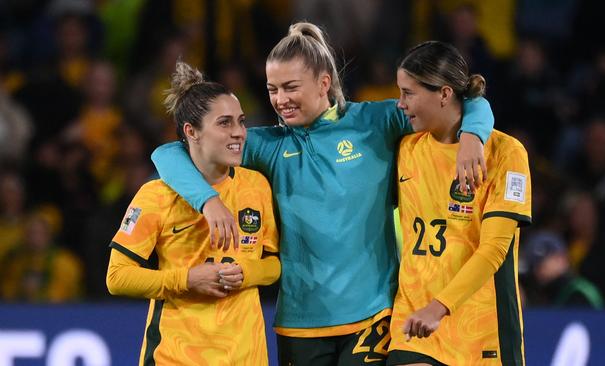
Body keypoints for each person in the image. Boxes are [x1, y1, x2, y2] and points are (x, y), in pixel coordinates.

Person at [151, 22, 494, 365]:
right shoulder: (269, 145)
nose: (280, 100)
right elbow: (168, 153)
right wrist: (208, 201)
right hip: (299, 324)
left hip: (372, 315)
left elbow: (469, 101)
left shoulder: (372, 123)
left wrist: (472, 137)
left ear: (324, 83)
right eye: (272, 89)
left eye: (290, 87)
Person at [106, 61, 280, 365]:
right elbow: (117, 277)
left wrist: (245, 273)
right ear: (192, 131)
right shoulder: (156, 195)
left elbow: (273, 264)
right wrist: (187, 279)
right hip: (177, 356)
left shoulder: (257, 186)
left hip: (246, 355)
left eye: (241, 121)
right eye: (224, 123)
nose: (239, 132)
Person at [387, 41, 531, 365]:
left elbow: (494, 250)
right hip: (413, 324)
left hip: (481, 331)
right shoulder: (406, 150)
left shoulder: (507, 154)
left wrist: (439, 307)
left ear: (444, 94)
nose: (399, 103)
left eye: (408, 93)